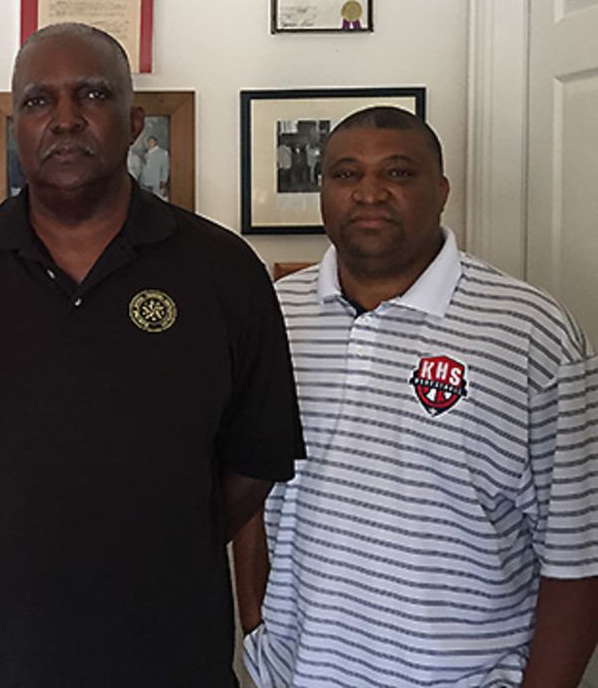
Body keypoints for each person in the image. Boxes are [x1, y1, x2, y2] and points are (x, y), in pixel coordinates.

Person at [0, 22, 304, 686]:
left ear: (135, 121)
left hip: (168, 653)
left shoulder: (223, 271)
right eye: (38, 100)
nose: (66, 119)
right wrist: (2, 524)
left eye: (93, 95)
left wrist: (164, 538)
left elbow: (254, 463)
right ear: (16, 124)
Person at [234, 106, 598, 687]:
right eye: (346, 174)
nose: (369, 194)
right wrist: (256, 621)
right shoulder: (273, 313)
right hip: (299, 673)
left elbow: (579, 552)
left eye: (399, 174)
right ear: (322, 189)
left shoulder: (531, 332)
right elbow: (251, 483)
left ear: (443, 190)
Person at [140, 133, 169, 197]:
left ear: (156, 142)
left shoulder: (162, 153)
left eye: (152, 142)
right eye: (149, 142)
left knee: (158, 199)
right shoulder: (147, 153)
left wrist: (163, 180)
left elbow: (165, 167)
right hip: (146, 181)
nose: (150, 143)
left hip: (156, 181)